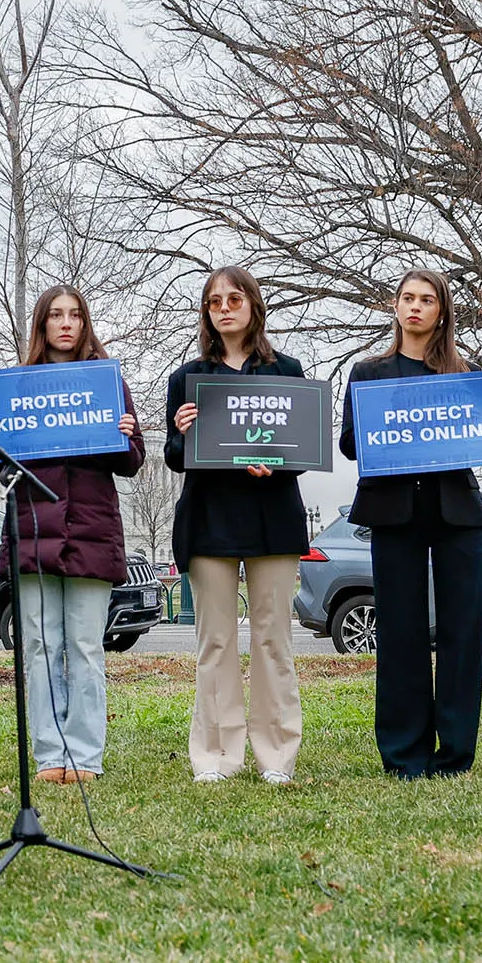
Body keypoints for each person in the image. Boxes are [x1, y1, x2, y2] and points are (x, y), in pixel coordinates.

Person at [339, 269, 482, 779]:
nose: (415, 307)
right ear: (396, 307)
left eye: (427, 299)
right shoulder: (368, 372)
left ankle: (456, 753)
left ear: (442, 311)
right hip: (393, 513)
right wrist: (370, 416)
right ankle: (404, 754)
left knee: (464, 632)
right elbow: (353, 445)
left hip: (457, 514)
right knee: (400, 631)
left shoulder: (467, 373)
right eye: (407, 298)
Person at [0, 285, 144, 784]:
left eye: (75, 314)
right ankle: (51, 756)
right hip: (33, 531)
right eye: (56, 315)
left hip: (91, 532)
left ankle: (85, 757)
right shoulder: (18, 386)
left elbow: (133, 461)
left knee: (88, 647)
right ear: (42, 325)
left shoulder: (107, 381)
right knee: (39, 646)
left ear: (85, 322)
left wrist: (125, 431)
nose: (67, 323)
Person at [164, 266, 309, 786]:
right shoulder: (187, 378)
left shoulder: (287, 371)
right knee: (215, 642)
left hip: (273, 521)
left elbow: (305, 448)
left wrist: (279, 463)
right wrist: (182, 434)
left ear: (253, 305)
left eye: (234, 298)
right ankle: (217, 756)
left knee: (274, 640)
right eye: (214, 301)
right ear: (206, 312)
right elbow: (174, 457)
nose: (224, 308)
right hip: (209, 522)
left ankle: (276, 757)